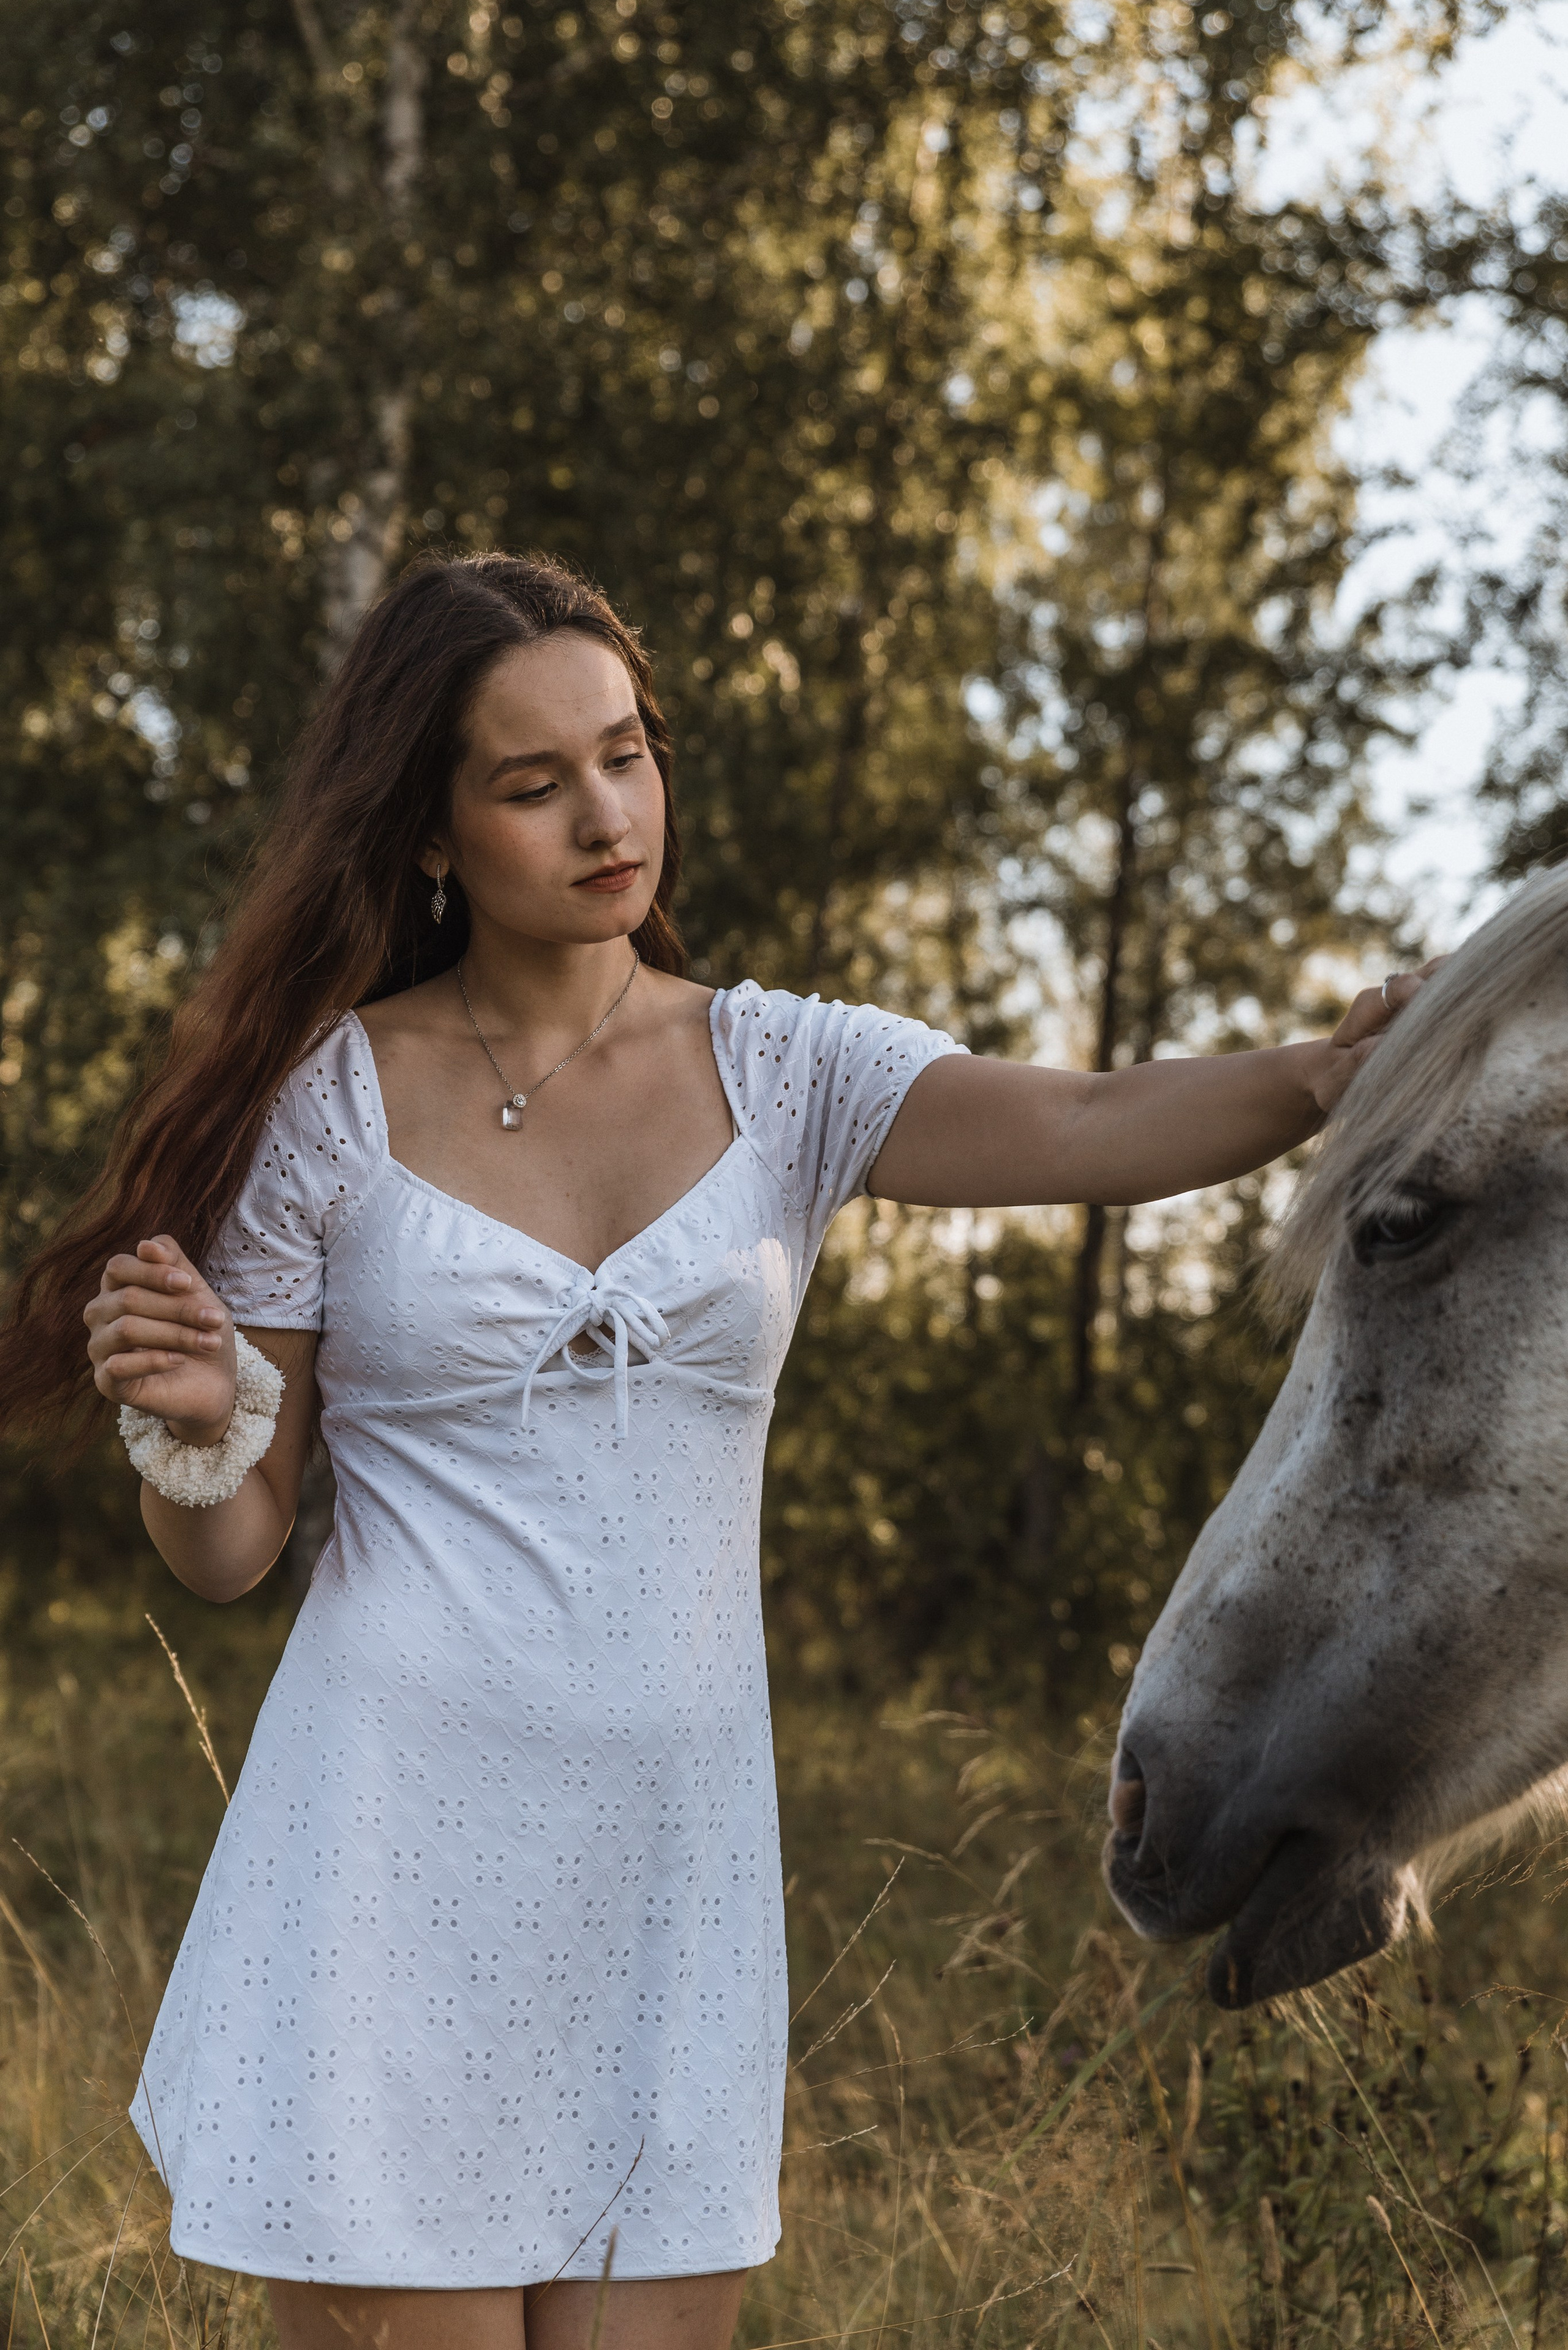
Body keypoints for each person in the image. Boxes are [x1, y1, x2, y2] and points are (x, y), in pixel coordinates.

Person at [1, 552, 1422, 2350]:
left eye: (627, 753)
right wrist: (199, 1432)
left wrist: (1333, 1075)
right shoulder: (328, 1103)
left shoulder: (787, 1071)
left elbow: (1086, 1116)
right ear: (431, 835)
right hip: (385, 1867)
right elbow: (229, 1553)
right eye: (534, 783)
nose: (607, 815)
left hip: (673, 1884)